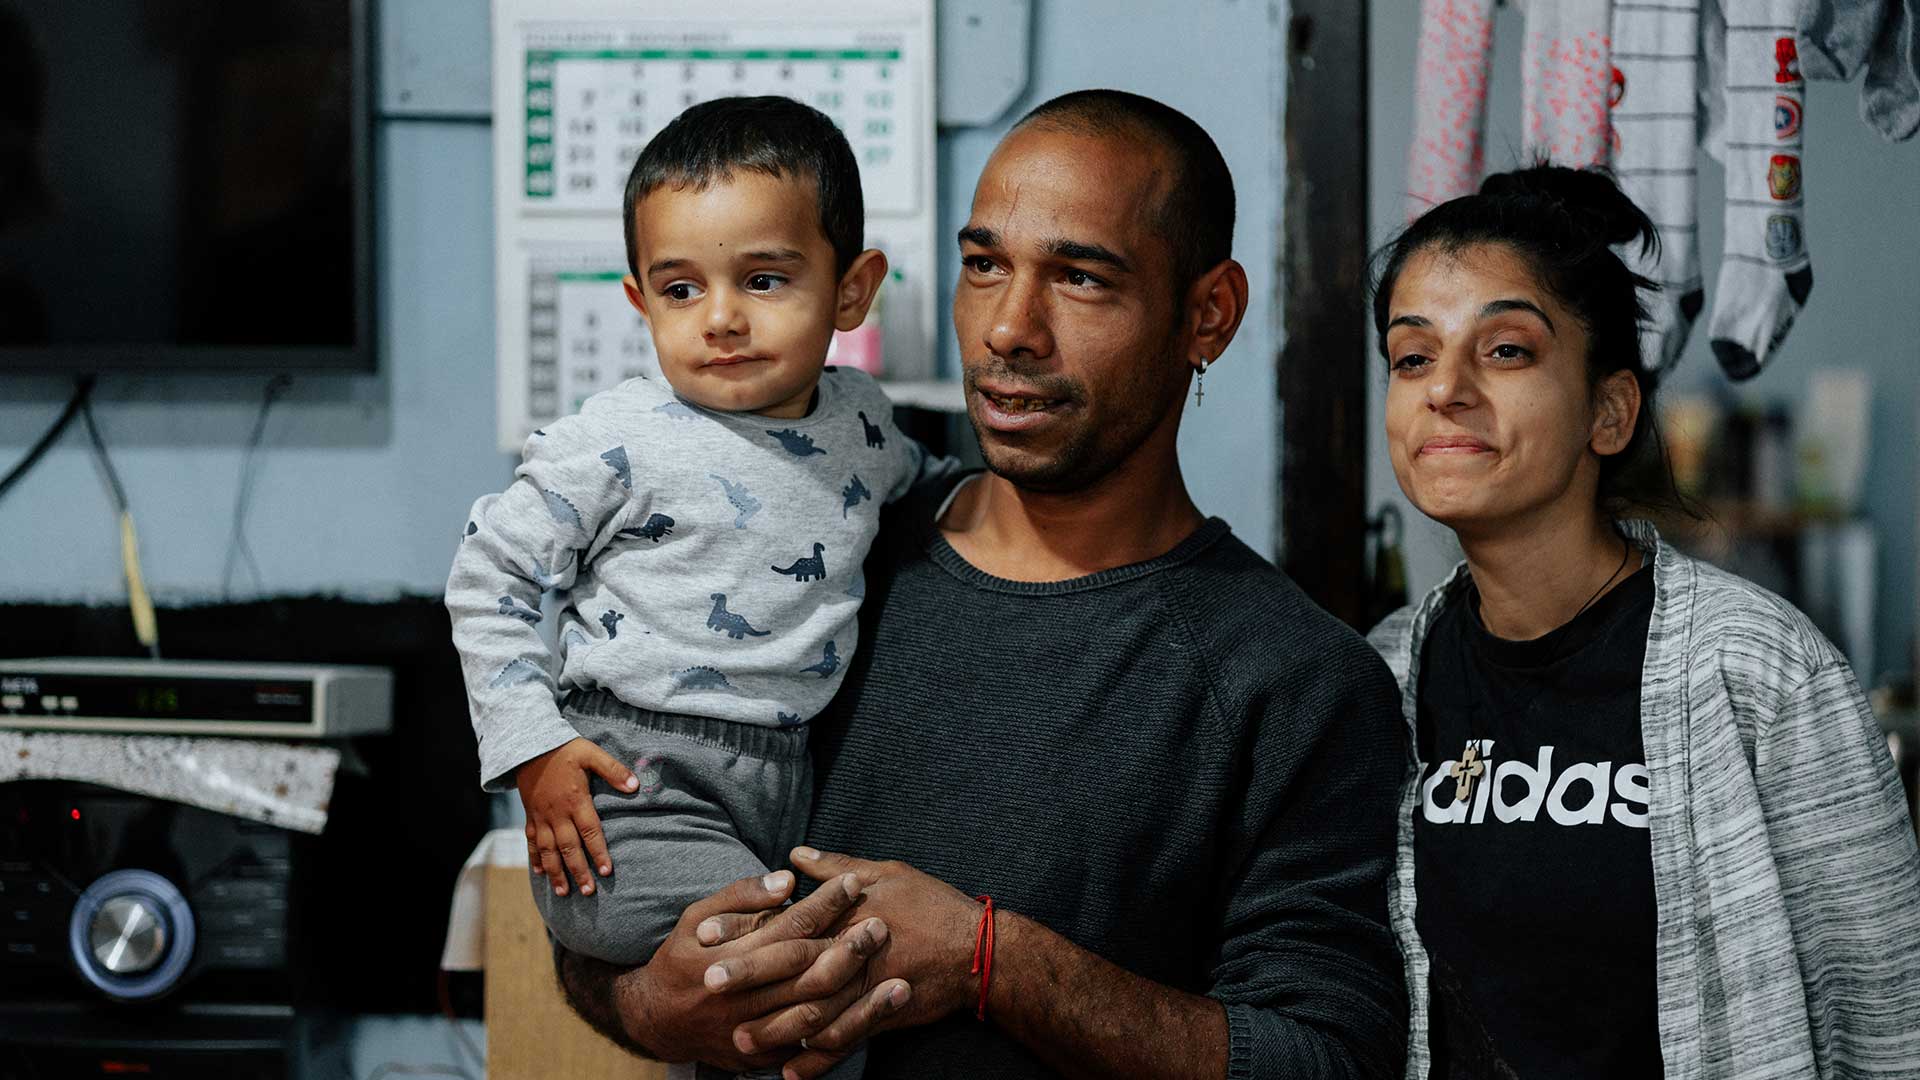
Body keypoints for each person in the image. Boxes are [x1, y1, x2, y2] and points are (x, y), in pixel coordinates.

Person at [552, 89, 1411, 1080]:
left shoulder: (1295, 682)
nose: (1009, 327)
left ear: (1207, 313)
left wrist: (989, 960)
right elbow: (607, 894)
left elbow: (1325, 1060)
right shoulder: (819, 565)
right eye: (984, 265)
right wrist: (651, 1007)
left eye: (1081, 278)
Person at [1365, 163, 1920, 1078]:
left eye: (1505, 350)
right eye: (1412, 355)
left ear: (1611, 411)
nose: (1445, 389)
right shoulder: (1384, 677)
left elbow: (1890, 1021)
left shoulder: (1758, 671)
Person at [446, 96, 945, 1078]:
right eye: (681, 290)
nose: (720, 319)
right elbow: (489, 573)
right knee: (790, 964)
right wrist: (532, 746)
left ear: (852, 290)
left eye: (764, 279)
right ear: (638, 301)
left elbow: (938, 497)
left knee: (769, 1001)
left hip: (782, 781)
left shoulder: (866, 427)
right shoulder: (615, 440)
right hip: (630, 791)